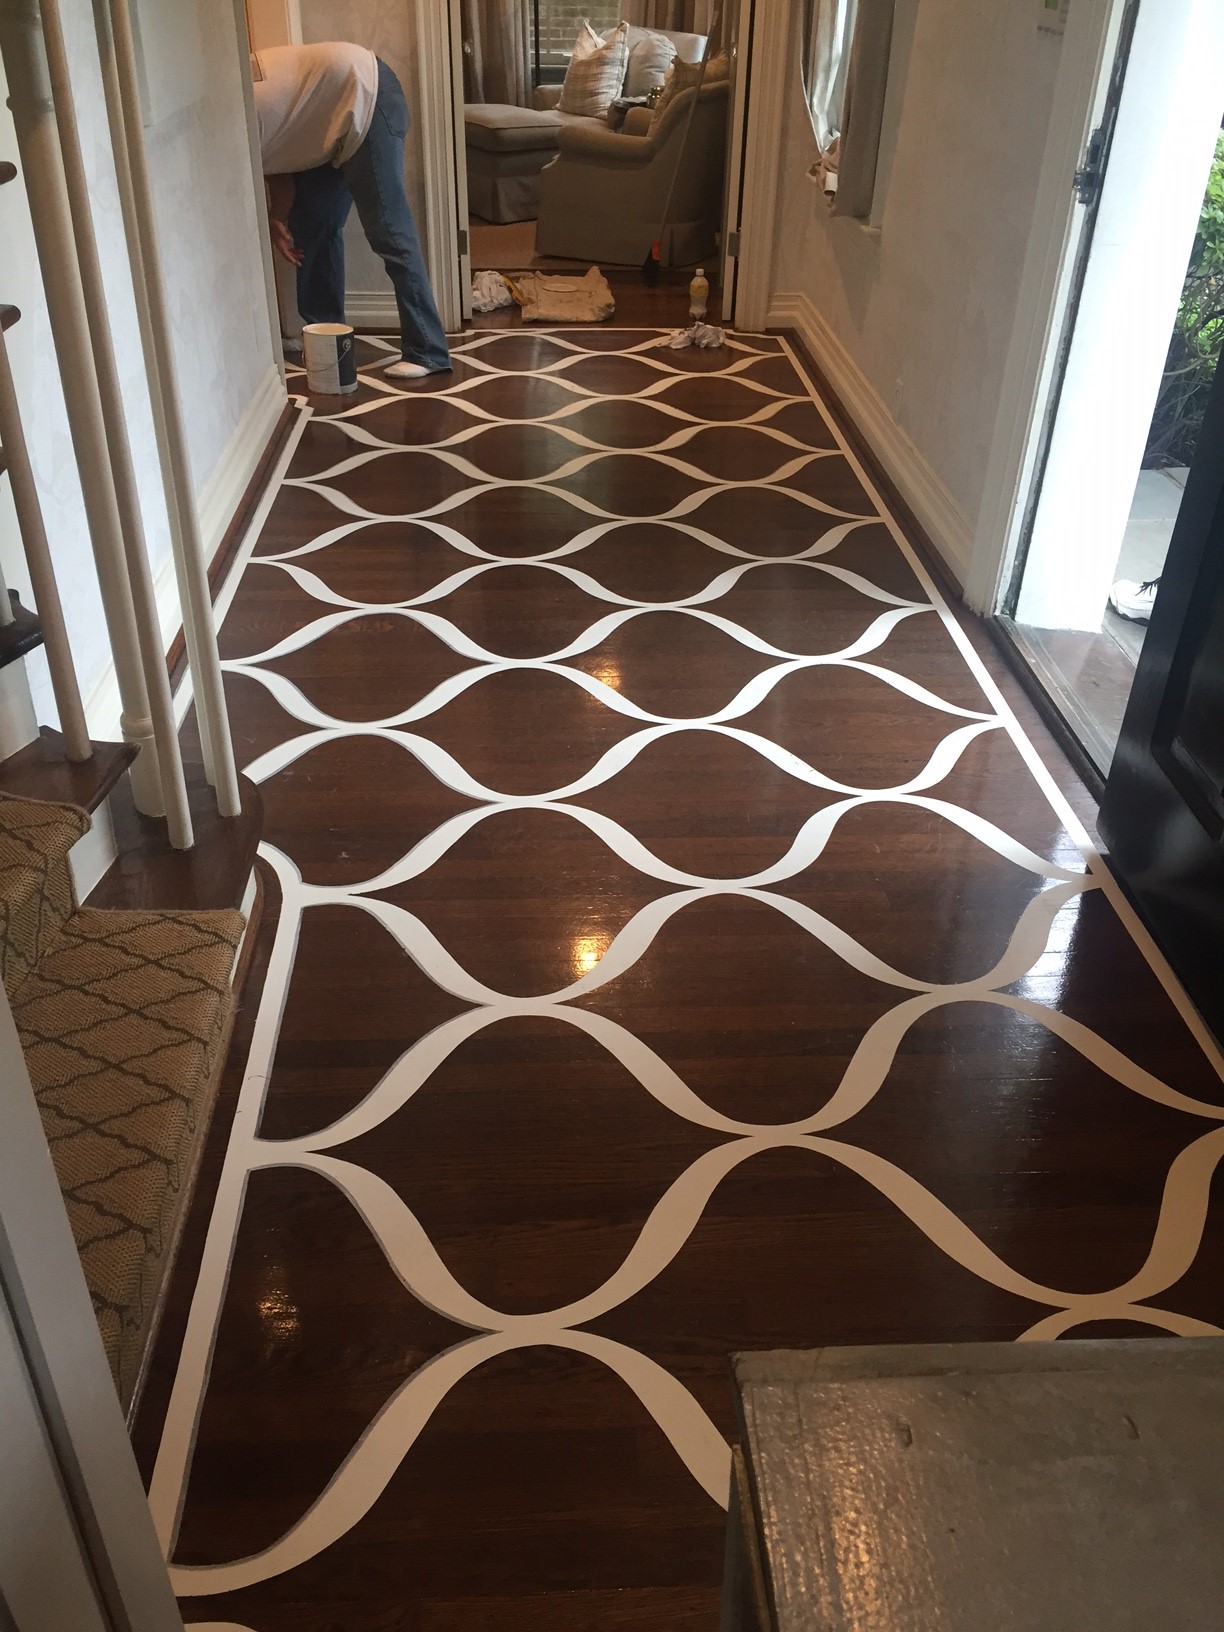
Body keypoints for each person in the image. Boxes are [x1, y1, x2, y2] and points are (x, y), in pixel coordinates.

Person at [252, 42, 451, 379]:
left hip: (367, 94)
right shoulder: (240, 115)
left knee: (389, 229)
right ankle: (327, 340)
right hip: (322, 115)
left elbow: (266, 157)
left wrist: (272, 217)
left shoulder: (235, 120)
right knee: (312, 225)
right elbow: (278, 163)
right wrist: (277, 217)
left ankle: (428, 351)